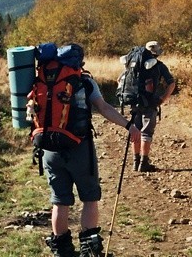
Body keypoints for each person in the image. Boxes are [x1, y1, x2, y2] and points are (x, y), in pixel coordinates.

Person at [40, 62, 141, 257]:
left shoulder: (42, 80)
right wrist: (129, 126)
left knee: (59, 201)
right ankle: (89, 251)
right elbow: (103, 107)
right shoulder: (84, 81)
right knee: (89, 197)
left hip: (49, 149)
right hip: (79, 148)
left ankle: (62, 251)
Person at [120, 40, 176, 172]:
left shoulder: (134, 64)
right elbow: (171, 83)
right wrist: (162, 98)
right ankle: (144, 163)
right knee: (146, 133)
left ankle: (135, 162)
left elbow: (119, 80)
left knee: (135, 130)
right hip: (150, 103)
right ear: (158, 53)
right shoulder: (160, 66)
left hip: (134, 102)